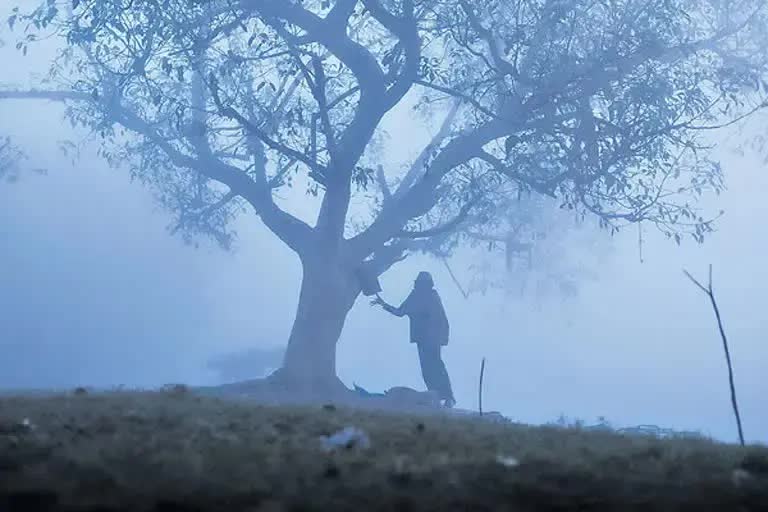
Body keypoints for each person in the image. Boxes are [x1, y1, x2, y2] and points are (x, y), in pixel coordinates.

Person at [372, 271, 456, 408]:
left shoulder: (431, 297)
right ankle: (436, 396)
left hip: (432, 339)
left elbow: (441, 319)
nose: (419, 285)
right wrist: (383, 304)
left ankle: (447, 397)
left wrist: (443, 337)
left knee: (436, 368)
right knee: (428, 369)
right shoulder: (416, 296)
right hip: (423, 339)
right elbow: (400, 312)